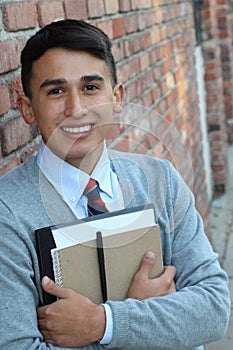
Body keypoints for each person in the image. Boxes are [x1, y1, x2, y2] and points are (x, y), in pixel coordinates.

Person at [0, 19, 230, 350]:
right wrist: (157, 322)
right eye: (56, 91)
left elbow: (214, 309)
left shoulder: (161, 179)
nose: (75, 109)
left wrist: (103, 323)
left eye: (90, 88)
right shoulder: (8, 215)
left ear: (117, 97)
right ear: (27, 108)